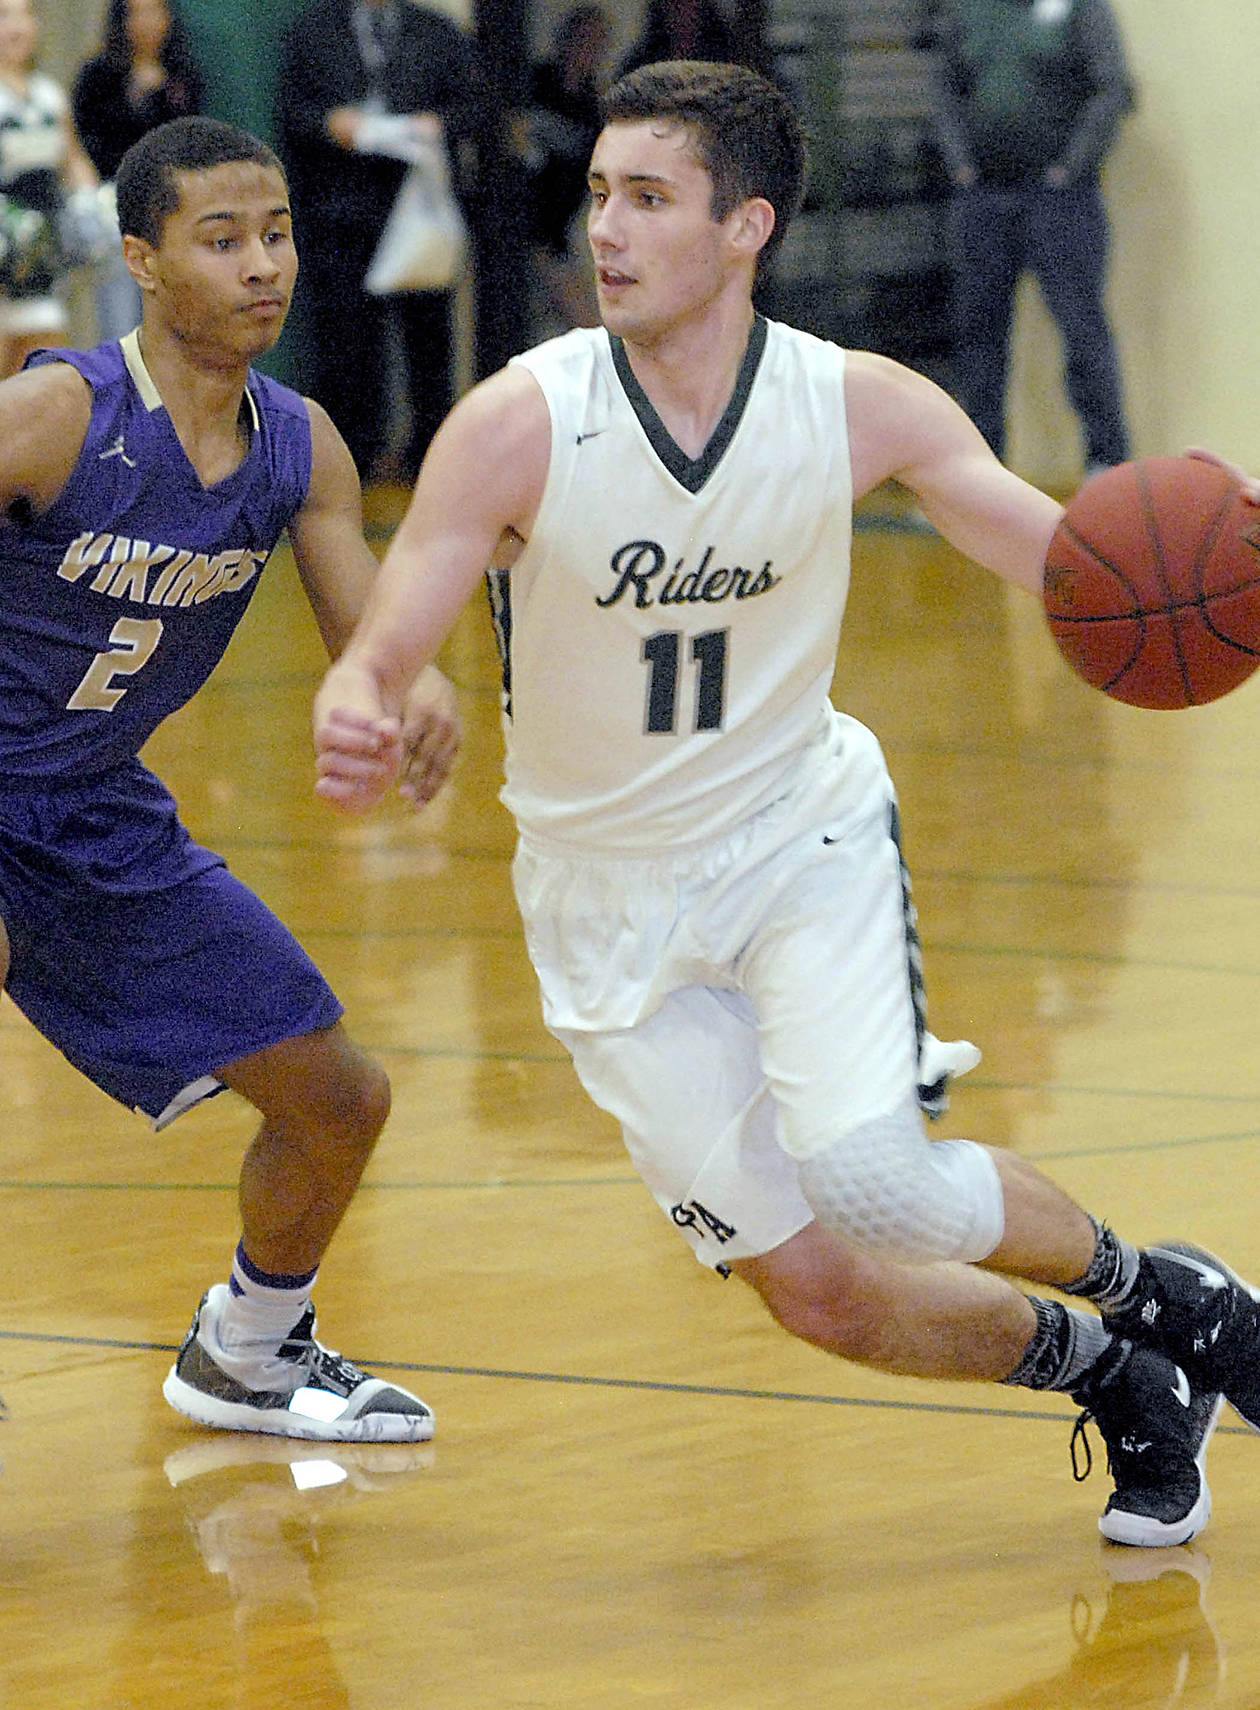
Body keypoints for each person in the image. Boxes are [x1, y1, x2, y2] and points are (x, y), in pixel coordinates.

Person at [311, 59, 1260, 1547]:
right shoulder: (519, 424)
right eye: (599, 194)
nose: (605, 228)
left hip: (797, 844)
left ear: (745, 224)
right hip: (602, 896)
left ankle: (1172, 1295)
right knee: (820, 1294)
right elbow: (392, 629)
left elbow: (1080, 566)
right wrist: (363, 695)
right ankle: (1117, 1371)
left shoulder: (857, 404)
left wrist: (1209, 570)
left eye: (649, 198)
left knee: (880, 1185)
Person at [0, 115, 459, 1441]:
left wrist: (406, 690)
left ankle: (248, 1355)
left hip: (96, 814)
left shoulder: (299, 446)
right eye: (221, 239)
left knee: (340, 1102)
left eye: (277, 235)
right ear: (143, 261)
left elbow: (373, 641)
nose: (262, 265)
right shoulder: (55, 414)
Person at [277, 0, 487, 485]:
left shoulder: (436, 31)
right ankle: (350, 461)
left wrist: (435, 124)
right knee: (346, 344)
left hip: (418, 212)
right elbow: (292, 114)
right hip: (340, 216)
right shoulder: (313, 30)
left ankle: (429, 460)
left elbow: (474, 108)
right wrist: (332, 126)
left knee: (429, 343)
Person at [929, 0, 1134, 480]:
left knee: (1082, 330)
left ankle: (1108, 464)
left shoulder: (1083, 9)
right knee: (978, 337)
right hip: (984, 198)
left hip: (1061, 201)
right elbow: (944, 90)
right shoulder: (968, 12)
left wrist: (1071, 167)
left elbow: (1112, 88)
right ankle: (978, 471)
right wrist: (960, 165)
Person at [71, 0, 204, 342]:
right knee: (121, 320)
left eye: (155, 11)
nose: (147, 22)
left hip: (172, 209)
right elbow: (88, 142)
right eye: (137, 12)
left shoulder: (182, 75)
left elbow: (188, 142)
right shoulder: (98, 77)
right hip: (115, 210)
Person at [0, 0, 98, 378]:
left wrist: (92, 204)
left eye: (25, 14)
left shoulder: (49, 95)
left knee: (45, 362)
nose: (16, 26)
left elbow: (72, 161)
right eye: (4, 15)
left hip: (40, 257)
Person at [523, 3, 611, 339]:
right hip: (529, 231)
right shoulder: (533, 86)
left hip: (567, 231)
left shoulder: (594, 105)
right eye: (583, 39)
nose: (588, 50)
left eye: (597, 43)